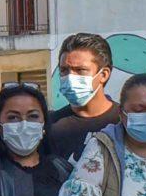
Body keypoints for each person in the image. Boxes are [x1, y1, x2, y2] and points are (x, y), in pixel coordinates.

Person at [46, 32, 121, 161]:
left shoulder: (124, 121)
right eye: (64, 70)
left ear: (103, 74)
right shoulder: (50, 125)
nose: (70, 78)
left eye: (80, 70)